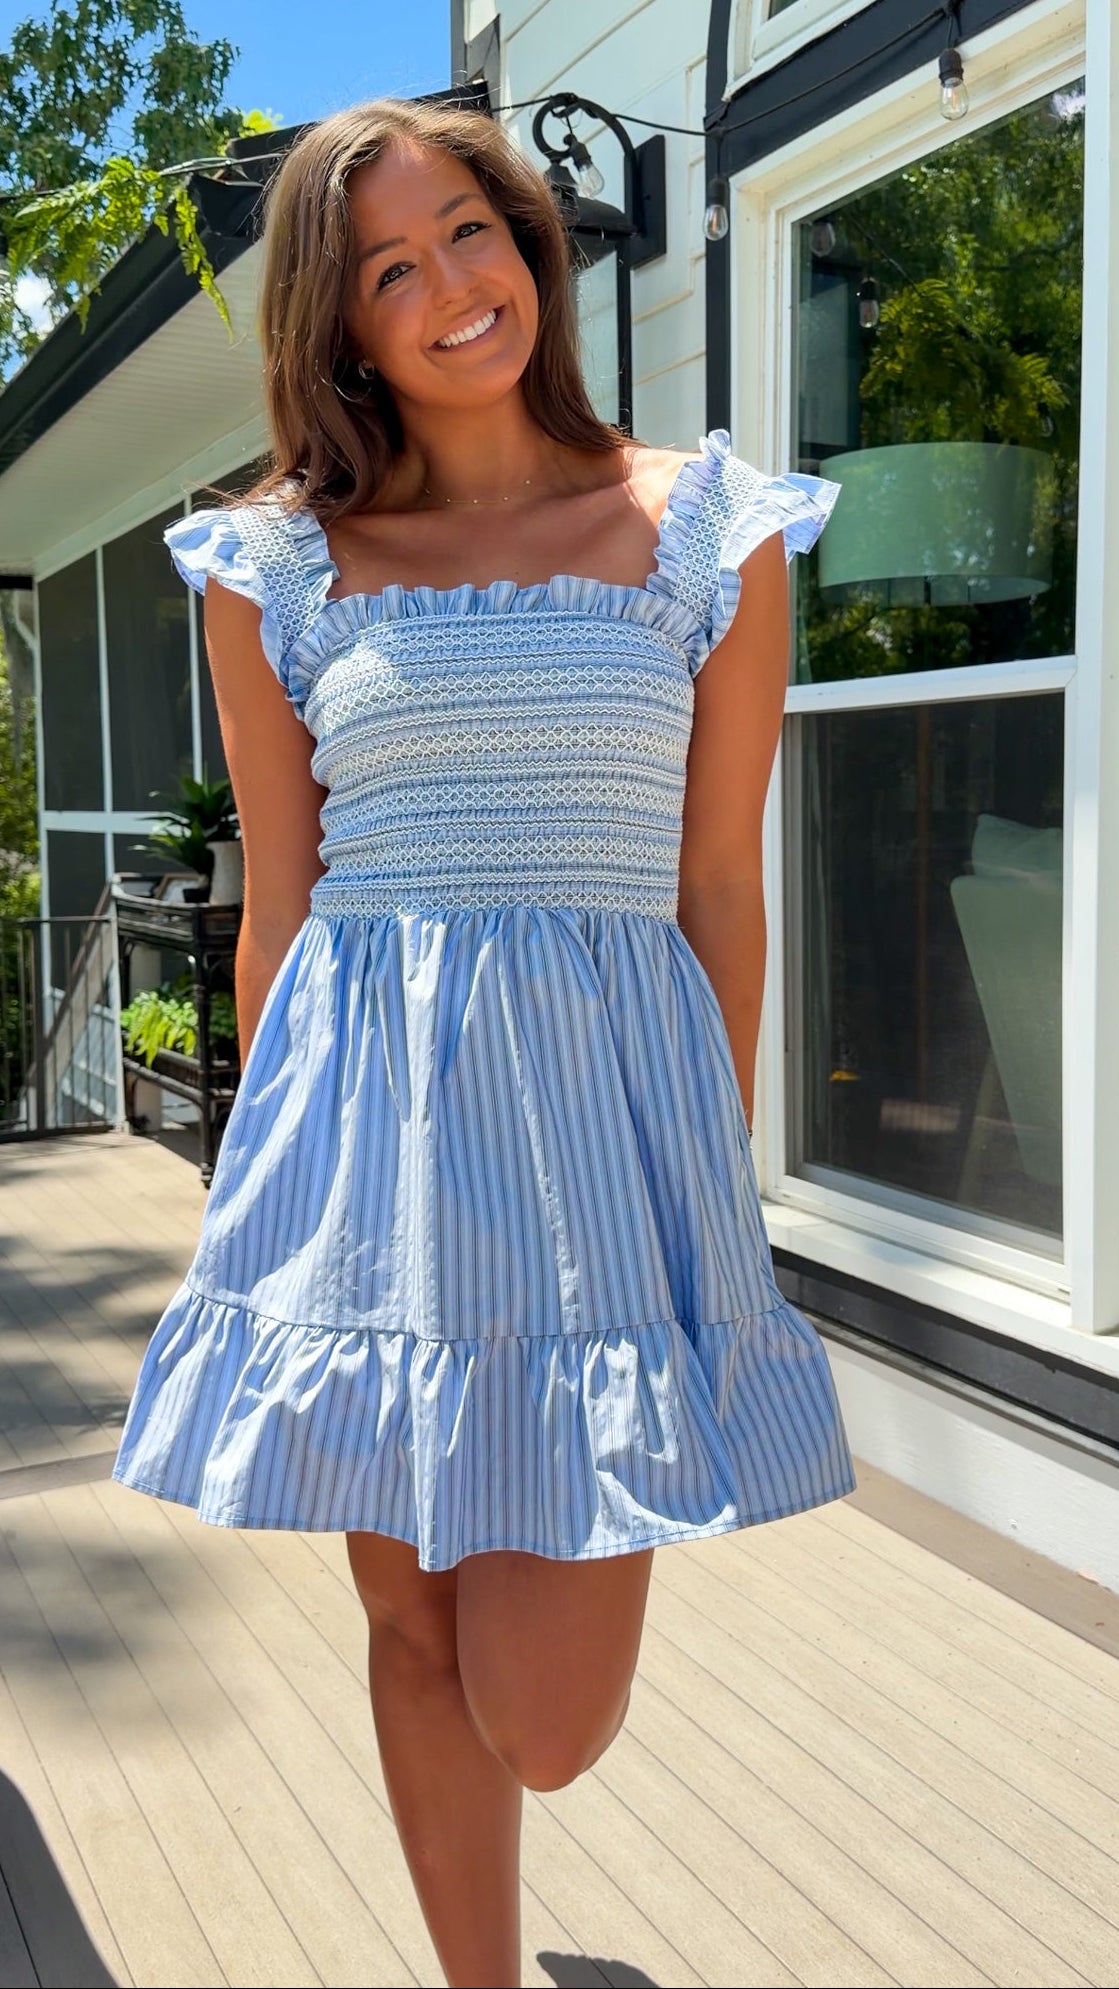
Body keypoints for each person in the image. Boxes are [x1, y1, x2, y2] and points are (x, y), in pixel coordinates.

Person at [113, 95, 856, 1989]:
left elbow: (718, 888)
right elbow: (280, 908)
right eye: (389, 265)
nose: (453, 286)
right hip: (361, 1157)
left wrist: (713, 1177)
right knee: (410, 1626)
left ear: (532, 243)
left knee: (548, 1710)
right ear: (338, 322)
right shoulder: (272, 566)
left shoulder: (707, 524)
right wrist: (247, 1208)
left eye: (475, 233)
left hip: (605, 1149)